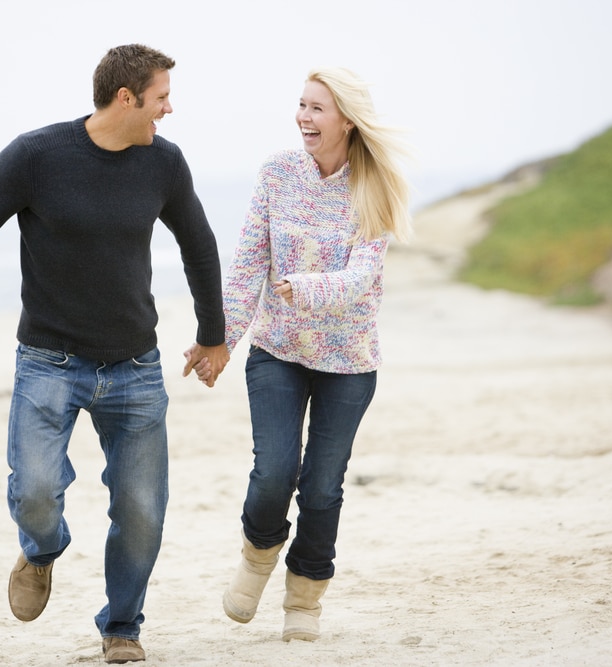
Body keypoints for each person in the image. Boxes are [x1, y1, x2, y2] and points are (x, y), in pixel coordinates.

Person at [0, 44, 229, 664]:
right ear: (127, 98)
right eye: (162, 97)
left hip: (135, 367)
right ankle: (41, 549)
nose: (169, 110)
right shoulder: (37, 156)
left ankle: (123, 625)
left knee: (141, 510)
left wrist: (213, 335)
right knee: (36, 491)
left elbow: (200, 246)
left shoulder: (163, 163)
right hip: (49, 360)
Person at [190, 66, 412, 642]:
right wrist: (220, 338)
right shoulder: (277, 174)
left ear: (345, 120)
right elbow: (246, 268)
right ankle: (256, 558)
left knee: (321, 486)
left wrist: (306, 286)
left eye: (316, 108)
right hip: (278, 352)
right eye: (301, 105)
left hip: (349, 362)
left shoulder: (373, 186)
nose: (303, 118)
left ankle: (305, 600)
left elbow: (363, 275)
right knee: (273, 472)